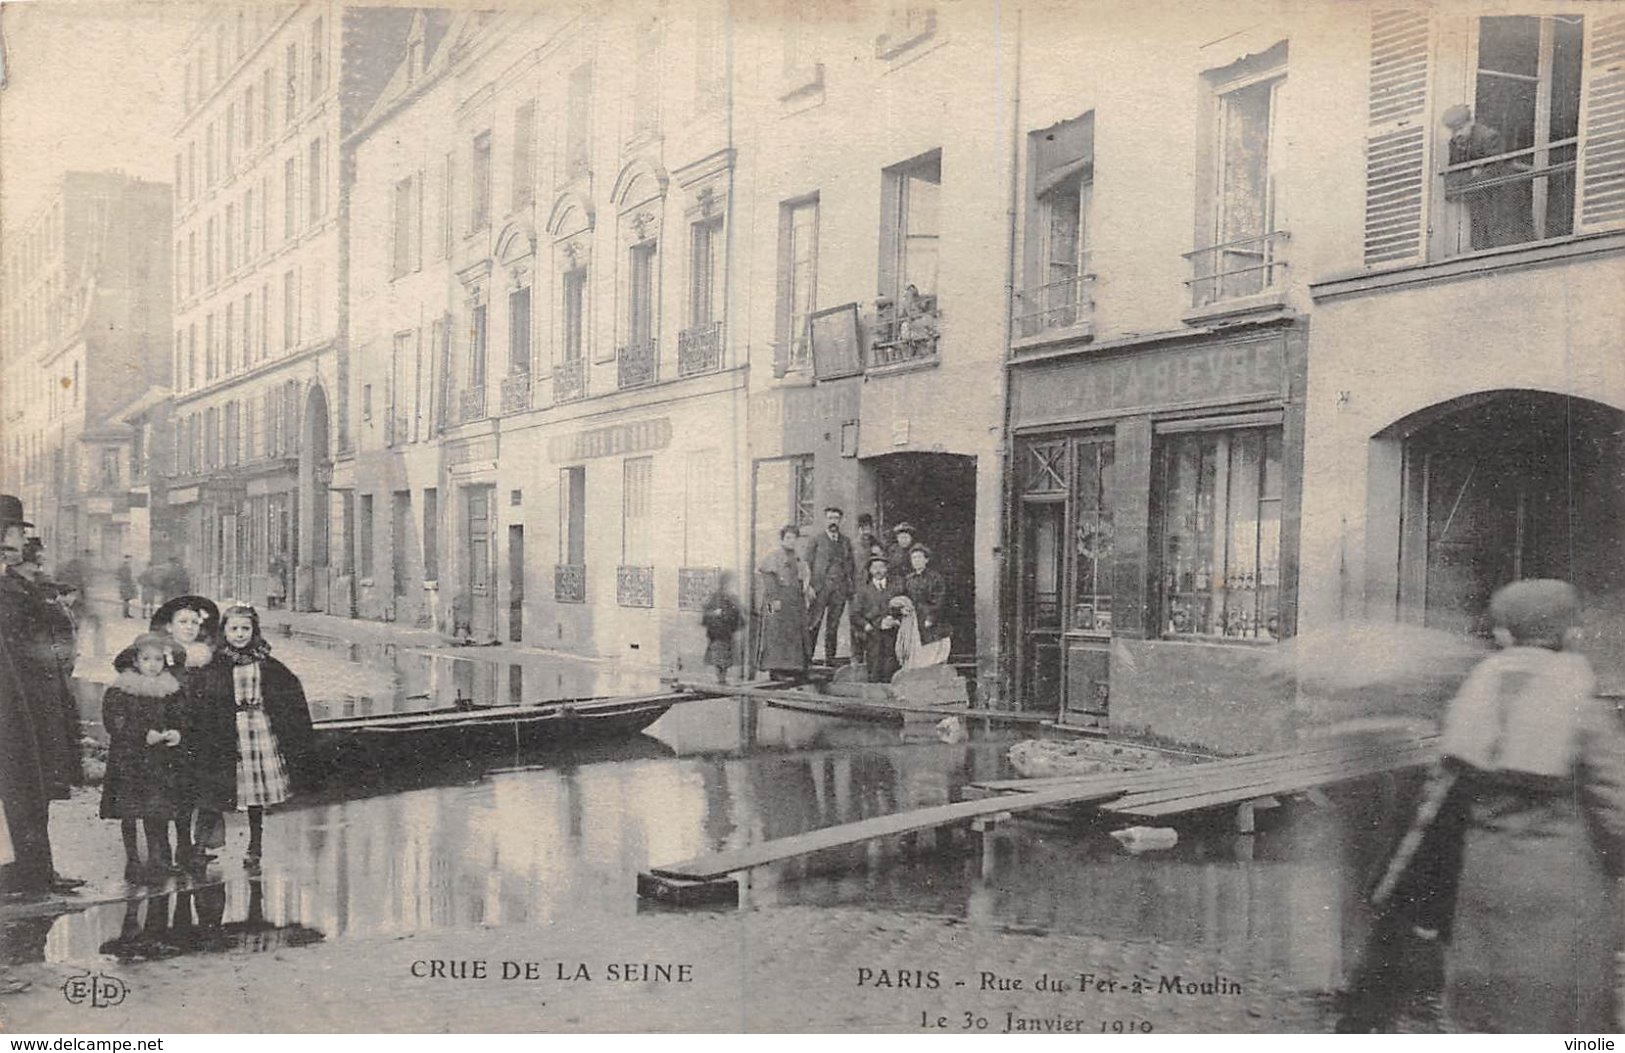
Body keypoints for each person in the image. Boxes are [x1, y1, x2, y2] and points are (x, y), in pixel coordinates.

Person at [1431, 579, 1625, 1032]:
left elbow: (1441, 795)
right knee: (1561, 1017)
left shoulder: (1474, 691)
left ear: (1504, 632)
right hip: (1563, 885)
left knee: (1490, 1014)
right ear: (1570, 631)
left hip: (1485, 879)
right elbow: (1616, 801)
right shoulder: (1580, 698)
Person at [0, 495, 83, 897]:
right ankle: (30, 872)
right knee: (21, 787)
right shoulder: (9, 588)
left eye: (16, 533)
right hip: (16, 702)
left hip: (38, 701)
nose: (16, 540)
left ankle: (38, 870)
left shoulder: (23, 584)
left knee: (37, 787)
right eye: (12, 531)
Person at [216, 602, 314, 869]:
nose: (239, 634)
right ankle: (205, 845)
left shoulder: (264, 662)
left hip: (258, 728)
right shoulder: (216, 662)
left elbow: (289, 689)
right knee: (223, 788)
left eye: (245, 628)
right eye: (233, 628)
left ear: (254, 630)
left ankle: (254, 845)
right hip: (228, 730)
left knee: (256, 792)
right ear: (223, 631)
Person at [100, 634, 190, 881]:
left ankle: (158, 860)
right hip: (129, 760)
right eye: (146, 659)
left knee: (156, 809)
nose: (153, 664)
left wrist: (176, 732)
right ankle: (133, 861)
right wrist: (141, 734)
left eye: (158, 659)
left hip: (159, 761)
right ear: (135, 661)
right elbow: (115, 722)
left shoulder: (170, 689)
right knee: (130, 811)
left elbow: (181, 717)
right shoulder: (122, 690)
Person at [150, 594, 225, 870]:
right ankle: (161, 852)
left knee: (192, 793)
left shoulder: (206, 656)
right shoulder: (159, 655)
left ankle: (190, 848)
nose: (189, 627)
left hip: (201, 735)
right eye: (183, 621)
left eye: (194, 622)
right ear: (169, 626)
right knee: (165, 793)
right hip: (169, 733)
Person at [1442, 104, 1534, 251]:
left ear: (1470, 123)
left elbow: (1494, 171)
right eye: (1453, 131)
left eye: (1460, 129)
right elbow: (1452, 178)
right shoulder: (1455, 143)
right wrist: (1472, 173)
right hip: (1480, 197)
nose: (1456, 135)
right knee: (1481, 235)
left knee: (1505, 233)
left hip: (1502, 195)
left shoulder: (1489, 137)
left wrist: (1468, 177)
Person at [756, 525, 810, 681]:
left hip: (793, 601)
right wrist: (774, 600)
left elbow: (802, 578)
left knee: (794, 633)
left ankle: (793, 668)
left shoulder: (798, 558)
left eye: (794, 538)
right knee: (775, 632)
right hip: (775, 601)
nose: (791, 541)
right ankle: (776, 668)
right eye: (788, 538)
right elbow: (768, 578)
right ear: (782, 539)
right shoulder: (774, 557)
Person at [805, 507, 855, 666]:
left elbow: (850, 565)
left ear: (840, 521)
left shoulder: (845, 541)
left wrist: (849, 587)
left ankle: (830, 659)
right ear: (825, 520)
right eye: (830, 518)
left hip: (839, 589)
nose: (833, 521)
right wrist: (809, 586)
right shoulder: (816, 540)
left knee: (833, 625)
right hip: (820, 588)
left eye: (836, 518)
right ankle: (807, 659)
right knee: (814, 623)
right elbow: (807, 564)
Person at [850, 555, 904, 684]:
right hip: (873, 635)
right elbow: (855, 615)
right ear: (870, 570)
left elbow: (904, 607)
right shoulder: (863, 591)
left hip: (893, 634)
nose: (878, 570)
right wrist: (866, 625)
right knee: (874, 667)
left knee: (892, 665)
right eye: (874, 567)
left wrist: (897, 620)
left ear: (886, 569)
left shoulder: (896, 588)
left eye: (881, 567)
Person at [900, 544, 952, 669]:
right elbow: (903, 598)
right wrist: (902, 608)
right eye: (913, 558)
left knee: (932, 653)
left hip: (931, 621)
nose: (916, 561)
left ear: (926, 560)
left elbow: (939, 600)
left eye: (919, 557)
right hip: (914, 622)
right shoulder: (908, 579)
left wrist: (931, 617)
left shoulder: (935, 578)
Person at [699, 573, 744, 684]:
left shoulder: (731, 598)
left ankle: (722, 677)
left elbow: (736, 613)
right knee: (720, 656)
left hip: (726, 632)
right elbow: (707, 612)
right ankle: (721, 678)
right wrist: (717, 614)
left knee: (726, 656)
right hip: (718, 632)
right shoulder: (717, 597)